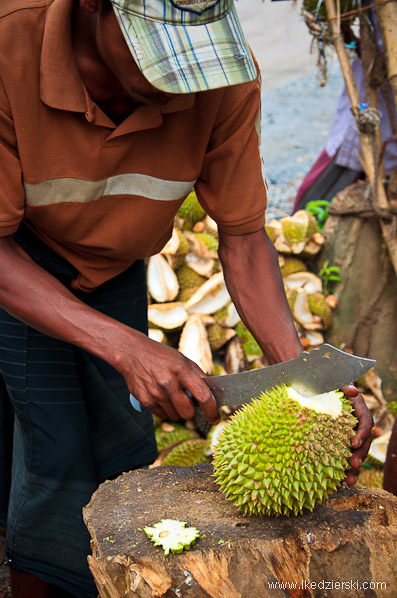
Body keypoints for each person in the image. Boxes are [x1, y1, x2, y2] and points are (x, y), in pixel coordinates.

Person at [0, 1, 373, 596]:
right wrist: (127, 350)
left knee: (123, 447)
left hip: (118, 263)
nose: (181, 89)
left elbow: (245, 238)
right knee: (53, 458)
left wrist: (305, 383)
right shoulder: (9, 42)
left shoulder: (223, 79)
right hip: (16, 261)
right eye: (159, 54)